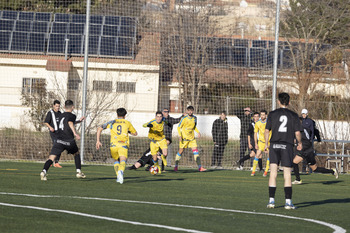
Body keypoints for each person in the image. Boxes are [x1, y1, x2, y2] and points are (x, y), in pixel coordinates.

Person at [265, 92, 303, 210]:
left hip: (275, 145)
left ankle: (271, 201)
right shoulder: (293, 115)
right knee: (287, 174)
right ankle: (288, 202)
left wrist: (267, 144)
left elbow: (267, 130)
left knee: (273, 173)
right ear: (289, 102)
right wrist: (300, 143)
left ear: (278, 101)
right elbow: (297, 132)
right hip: (287, 146)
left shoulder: (272, 114)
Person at [40, 100, 86, 181]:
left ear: (64, 107)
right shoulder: (72, 115)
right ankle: (78, 172)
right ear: (73, 107)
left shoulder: (61, 115)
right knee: (76, 153)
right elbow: (70, 123)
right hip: (68, 140)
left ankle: (43, 172)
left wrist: (79, 121)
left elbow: (66, 122)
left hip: (59, 140)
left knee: (51, 158)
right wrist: (75, 133)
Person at [96, 108, 137, 184]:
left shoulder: (112, 122)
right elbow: (135, 133)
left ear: (117, 114)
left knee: (116, 161)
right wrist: (128, 131)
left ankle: (118, 176)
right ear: (125, 115)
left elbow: (99, 128)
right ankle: (121, 172)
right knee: (123, 160)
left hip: (113, 145)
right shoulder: (127, 123)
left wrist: (98, 141)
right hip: (123, 145)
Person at [292, 117, 338, 184]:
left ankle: (332, 171)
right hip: (304, 150)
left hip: (307, 151)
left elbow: (303, 138)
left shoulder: (300, 130)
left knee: (315, 169)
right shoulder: (304, 129)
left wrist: (299, 144)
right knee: (294, 162)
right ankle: (298, 180)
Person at [174, 106, 206, 172]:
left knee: (196, 152)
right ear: (187, 111)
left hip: (192, 139)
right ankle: (176, 166)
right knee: (180, 151)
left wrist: (198, 132)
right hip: (184, 139)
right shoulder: (184, 118)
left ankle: (200, 167)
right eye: (189, 110)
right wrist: (180, 136)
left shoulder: (194, 118)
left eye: (191, 110)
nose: (190, 112)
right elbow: (178, 127)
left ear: (193, 111)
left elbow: (194, 127)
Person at [251, 110, 270, 177]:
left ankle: (266, 171)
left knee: (269, 156)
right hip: (261, 142)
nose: (262, 116)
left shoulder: (269, 122)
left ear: (266, 115)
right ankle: (253, 171)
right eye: (261, 115)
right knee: (257, 155)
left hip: (269, 142)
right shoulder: (258, 123)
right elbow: (255, 133)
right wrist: (256, 143)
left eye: (263, 115)